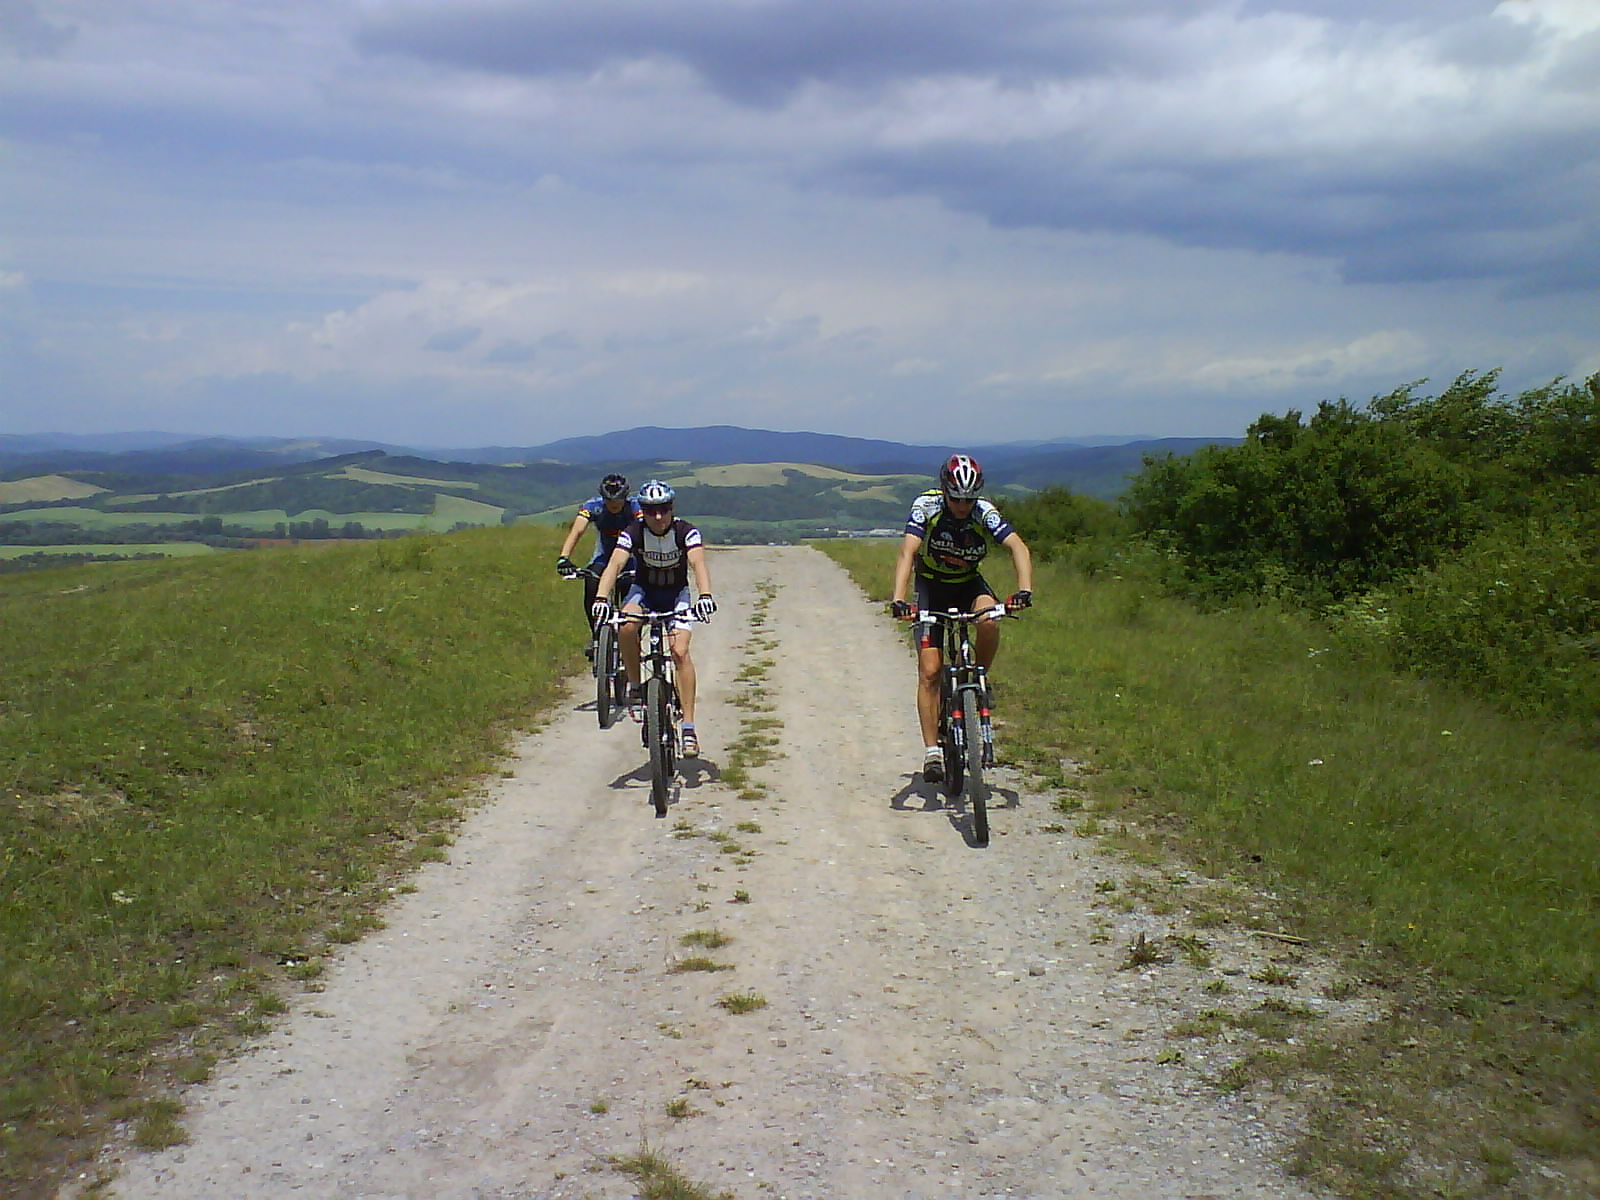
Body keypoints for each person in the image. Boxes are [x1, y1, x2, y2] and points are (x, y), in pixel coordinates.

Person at [889, 453, 1034, 783]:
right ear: (945, 491)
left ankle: (979, 679)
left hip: (968, 584)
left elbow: (1018, 547)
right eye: (956, 499)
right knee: (930, 670)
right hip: (932, 586)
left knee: (989, 620)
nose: (963, 506)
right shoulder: (927, 506)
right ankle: (932, 752)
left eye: (969, 500)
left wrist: (1024, 590)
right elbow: (908, 552)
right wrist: (898, 599)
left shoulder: (984, 512)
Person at [590, 480, 716, 758]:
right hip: (644, 591)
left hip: (676, 594)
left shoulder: (686, 532)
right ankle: (636, 689)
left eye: (664, 509)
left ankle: (689, 728)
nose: (658, 516)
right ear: (643, 511)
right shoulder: (633, 531)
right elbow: (615, 564)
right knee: (626, 627)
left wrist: (705, 595)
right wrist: (601, 598)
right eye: (650, 510)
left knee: (679, 652)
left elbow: (698, 563)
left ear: (672, 508)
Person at [556, 473, 642, 651]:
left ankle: (633, 638)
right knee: (591, 583)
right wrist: (564, 558)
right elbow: (577, 531)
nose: (613, 504)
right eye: (609, 501)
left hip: (630, 558)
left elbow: (646, 529)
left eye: (618, 501)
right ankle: (596, 635)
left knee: (631, 593)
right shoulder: (593, 507)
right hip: (604, 557)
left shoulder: (635, 507)